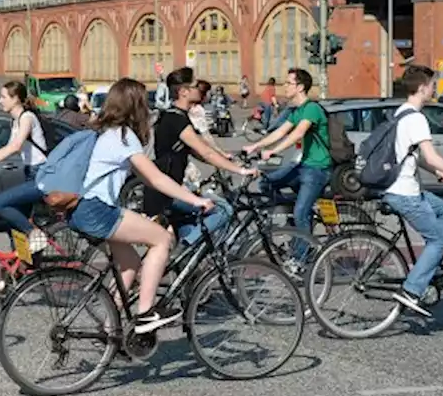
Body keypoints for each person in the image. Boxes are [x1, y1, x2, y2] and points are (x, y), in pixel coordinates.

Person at [67, 78, 214, 332]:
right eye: (145, 102)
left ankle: (109, 327)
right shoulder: (125, 137)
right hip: (98, 210)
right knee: (161, 240)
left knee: (132, 264)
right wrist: (196, 199)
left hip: (83, 208)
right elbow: (156, 178)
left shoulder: (107, 133)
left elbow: (148, 178)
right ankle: (146, 314)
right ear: (136, 105)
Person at [381, 64, 443, 316]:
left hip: (399, 188)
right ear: (422, 88)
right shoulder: (416, 118)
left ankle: (431, 267)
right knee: (437, 240)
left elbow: (413, 154)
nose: (434, 89)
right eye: (432, 85)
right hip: (405, 193)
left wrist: (437, 172)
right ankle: (411, 291)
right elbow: (431, 154)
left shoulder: (401, 112)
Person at [144, 68, 253, 246]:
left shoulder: (175, 116)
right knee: (224, 210)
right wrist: (241, 170)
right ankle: (188, 245)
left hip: (168, 188)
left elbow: (197, 152)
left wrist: (227, 159)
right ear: (183, 92)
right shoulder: (176, 119)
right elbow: (205, 152)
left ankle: (188, 261)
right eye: (195, 86)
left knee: (189, 227)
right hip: (168, 191)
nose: (200, 90)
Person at [0, 81, 48, 287]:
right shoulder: (16, 121)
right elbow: (7, 148)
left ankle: (36, 235)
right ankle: (25, 270)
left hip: (42, 175)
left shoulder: (27, 118)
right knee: (15, 224)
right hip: (30, 173)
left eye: (4, 96)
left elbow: (15, 147)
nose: (0, 100)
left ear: (15, 99)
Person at [243, 68, 330, 237]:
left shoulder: (312, 108)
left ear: (300, 87)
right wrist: (255, 146)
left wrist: (272, 151)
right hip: (302, 167)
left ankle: (302, 258)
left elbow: (298, 133)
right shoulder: (296, 111)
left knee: (300, 214)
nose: (285, 86)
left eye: (289, 83)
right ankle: (296, 210)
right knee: (265, 183)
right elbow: (280, 132)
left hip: (317, 170)